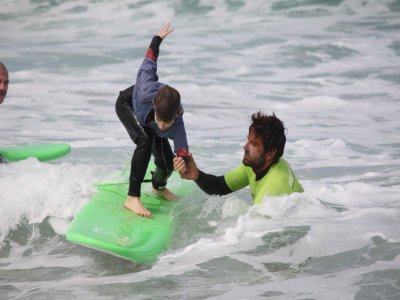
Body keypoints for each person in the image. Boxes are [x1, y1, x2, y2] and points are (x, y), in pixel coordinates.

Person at [116, 23, 189, 218]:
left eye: (167, 124)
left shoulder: (177, 119)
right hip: (128, 105)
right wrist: (157, 38)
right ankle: (132, 198)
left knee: (166, 164)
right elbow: (150, 58)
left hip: (148, 120)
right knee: (145, 140)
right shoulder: (145, 88)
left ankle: (158, 187)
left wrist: (182, 161)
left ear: (175, 115)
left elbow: (182, 147)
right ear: (155, 107)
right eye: (160, 121)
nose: (162, 127)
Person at [174, 112, 303, 205]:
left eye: (253, 144)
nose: (245, 146)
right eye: (248, 140)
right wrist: (196, 175)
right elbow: (219, 186)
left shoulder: (271, 196)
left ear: (270, 153)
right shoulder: (259, 165)